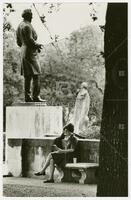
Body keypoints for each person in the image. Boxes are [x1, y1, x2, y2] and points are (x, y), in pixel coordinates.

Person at [16, 9, 45, 102]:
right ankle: (36, 96)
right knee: (36, 74)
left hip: (24, 51)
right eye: (31, 15)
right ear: (28, 16)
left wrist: (27, 47)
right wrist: (38, 45)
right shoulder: (27, 26)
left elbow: (19, 42)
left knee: (27, 76)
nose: (32, 17)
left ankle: (27, 97)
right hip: (30, 53)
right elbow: (30, 40)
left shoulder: (19, 26)